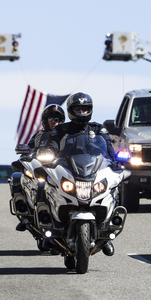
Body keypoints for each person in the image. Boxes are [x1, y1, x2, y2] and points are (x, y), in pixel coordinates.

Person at [48, 92, 118, 256]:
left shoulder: (98, 128)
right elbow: (51, 145)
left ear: (90, 110)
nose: (81, 112)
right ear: (71, 110)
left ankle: (106, 234)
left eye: (84, 108)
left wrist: (117, 158)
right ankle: (50, 229)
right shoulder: (61, 129)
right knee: (47, 186)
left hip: (93, 168)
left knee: (114, 186)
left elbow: (108, 146)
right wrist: (47, 153)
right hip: (68, 167)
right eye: (77, 108)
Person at [14, 104, 66, 232]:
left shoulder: (66, 136)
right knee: (17, 178)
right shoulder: (39, 135)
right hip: (40, 169)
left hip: (59, 170)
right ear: (45, 120)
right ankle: (25, 216)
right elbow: (28, 148)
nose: (55, 121)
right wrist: (25, 153)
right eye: (52, 118)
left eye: (57, 119)